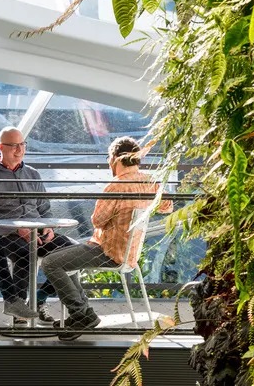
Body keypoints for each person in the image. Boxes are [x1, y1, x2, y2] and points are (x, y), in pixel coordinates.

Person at [40, 136, 169, 337]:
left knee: (50, 262)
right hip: (129, 253)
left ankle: (81, 314)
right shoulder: (149, 182)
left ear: (115, 159)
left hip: (107, 251)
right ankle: (83, 313)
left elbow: (97, 221)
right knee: (66, 258)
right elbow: (167, 206)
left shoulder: (115, 186)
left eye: (109, 158)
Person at [0, 126, 77, 321]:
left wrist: (48, 227)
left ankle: (39, 298)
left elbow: (45, 209)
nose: (19, 150)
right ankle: (19, 312)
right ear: (1, 147)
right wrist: (18, 229)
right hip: (7, 237)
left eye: (22, 144)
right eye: (14, 145)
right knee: (25, 254)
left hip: (38, 232)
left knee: (73, 251)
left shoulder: (33, 174)